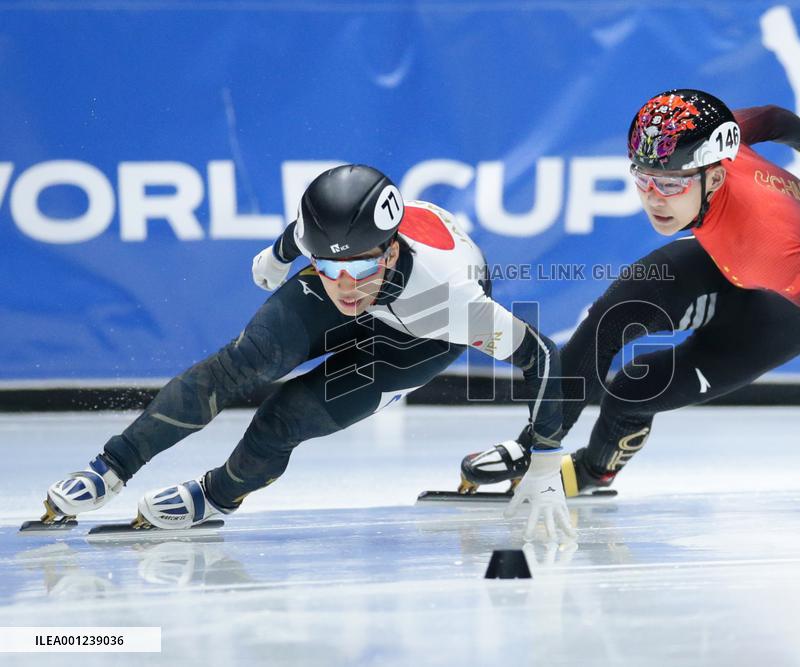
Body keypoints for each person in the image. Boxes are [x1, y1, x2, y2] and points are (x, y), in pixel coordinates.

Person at [37, 164, 573, 539]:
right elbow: (304, 236)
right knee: (240, 365)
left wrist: (544, 460)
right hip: (380, 284)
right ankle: (112, 466)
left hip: (416, 338)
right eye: (328, 267)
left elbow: (543, 357)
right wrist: (279, 255)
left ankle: (218, 494)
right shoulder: (334, 242)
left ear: (388, 251)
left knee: (287, 416)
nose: (345, 285)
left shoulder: (452, 299)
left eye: (359, 268)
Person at [461, 89, 800, 509]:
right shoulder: (710, 137)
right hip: (728, 258)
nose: (654, 198)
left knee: (634, 389)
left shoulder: (766, 247)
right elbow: (769, 117)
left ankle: (590, 471)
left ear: (715, 175)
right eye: (643, 178)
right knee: (611, 317)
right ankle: (535, 446)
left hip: (782, 309)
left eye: (671, 184)